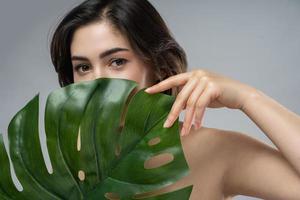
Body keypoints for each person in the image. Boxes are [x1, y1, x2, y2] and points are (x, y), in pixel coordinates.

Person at [50, 0, 300, 199]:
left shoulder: (213, 151)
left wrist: (248, 98)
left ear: (158, 65)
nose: (98, 83)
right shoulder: (64, 159)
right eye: (83, 67)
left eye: (117, 62)